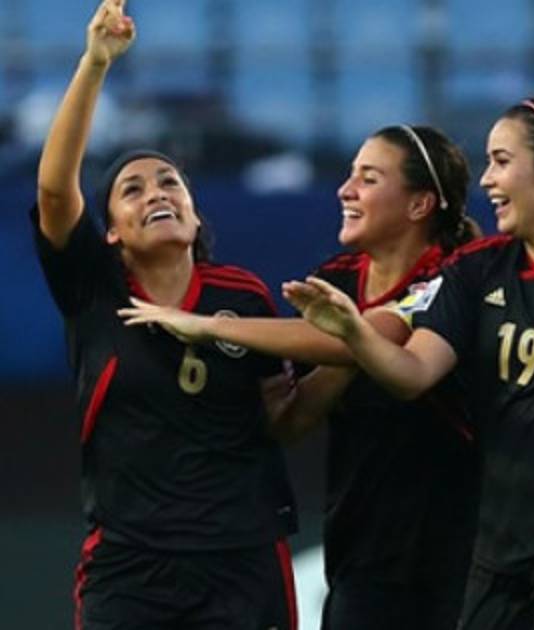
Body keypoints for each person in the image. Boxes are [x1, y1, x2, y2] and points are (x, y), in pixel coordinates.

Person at [284, 96, 534, 630]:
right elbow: (412, 374)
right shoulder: (477, 270)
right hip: (496, 556)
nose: (487, 180)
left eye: (501, 161)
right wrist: (353, 331)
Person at [118, 125, 480, 629]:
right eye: (351, 175)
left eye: (369, 179)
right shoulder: (334, 283)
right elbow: (292, 422)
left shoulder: (457, 275)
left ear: (419, 204)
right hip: (361, 550)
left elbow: (373, 335)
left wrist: (210, 325)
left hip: (460, 551)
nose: (345, 190)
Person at [34, 1, 297, 627]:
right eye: (133, 189)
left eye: (170, 183)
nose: (156, 192)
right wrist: (96, 63)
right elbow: (54, 189)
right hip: (130, 567)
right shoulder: (94, 290)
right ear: (111, 232)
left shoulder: (243, 298)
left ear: (196, 216)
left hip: (241, 563)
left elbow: (282, 418)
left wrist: (348, 355)